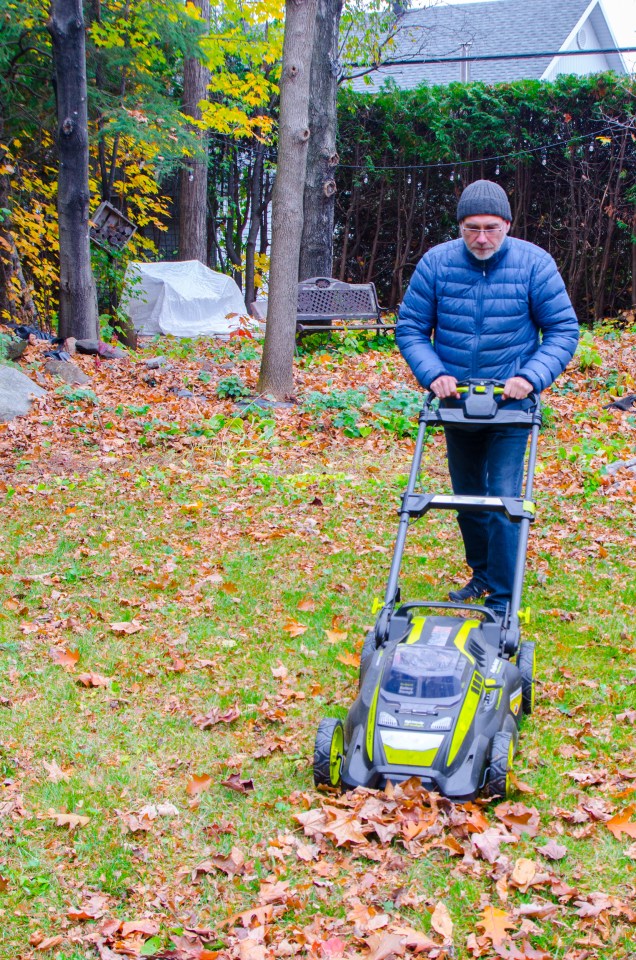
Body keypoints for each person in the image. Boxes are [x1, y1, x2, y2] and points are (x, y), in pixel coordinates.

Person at [396, 180, 579, 619]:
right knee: (465, 496)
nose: (482, 238)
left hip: (510, 404)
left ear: (508, 225)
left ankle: (502, 598)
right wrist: (434, 373)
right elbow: (411, 329)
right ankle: (481, 573)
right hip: (457, 401)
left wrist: (530, 377)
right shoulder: (436, 264)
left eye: (491, 228)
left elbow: (562, 331)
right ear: (460, 226)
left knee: (501, 498)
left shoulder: (535, 265)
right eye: (472, 228)